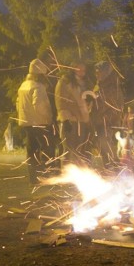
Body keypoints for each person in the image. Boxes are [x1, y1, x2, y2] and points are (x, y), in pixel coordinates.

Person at [16, 57, 56, 185]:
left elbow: (18, 104)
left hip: (27, 123)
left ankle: (33, 177)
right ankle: (45, 174)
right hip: (39, 122)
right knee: (47, 148)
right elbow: (39, 105)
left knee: (31, 151)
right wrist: (49, 118)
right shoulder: (38, 86)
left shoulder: (23, 85)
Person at [91, 60, 126, 170]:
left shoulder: (111, 85)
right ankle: (109, 169)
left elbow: (114, 105)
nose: (97, 74)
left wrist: (106, 115)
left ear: (105, 72)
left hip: (108, 121)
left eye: (99, 72)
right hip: (100, 120)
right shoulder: (100, 84)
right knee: (102, 146)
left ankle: (113, 169)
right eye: (96, 72)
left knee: (106, 145)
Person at [55, 60, 91, 166]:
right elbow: (60, 102)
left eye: (83, 70)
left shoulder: (87, 83)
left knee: (80, 149)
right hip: (70, 120)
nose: (82, 72)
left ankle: (77, 174)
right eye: (79, 69)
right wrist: (65, 119)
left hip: (82, 121)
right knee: (68, 149)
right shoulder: (64, 83)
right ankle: (66, 173)